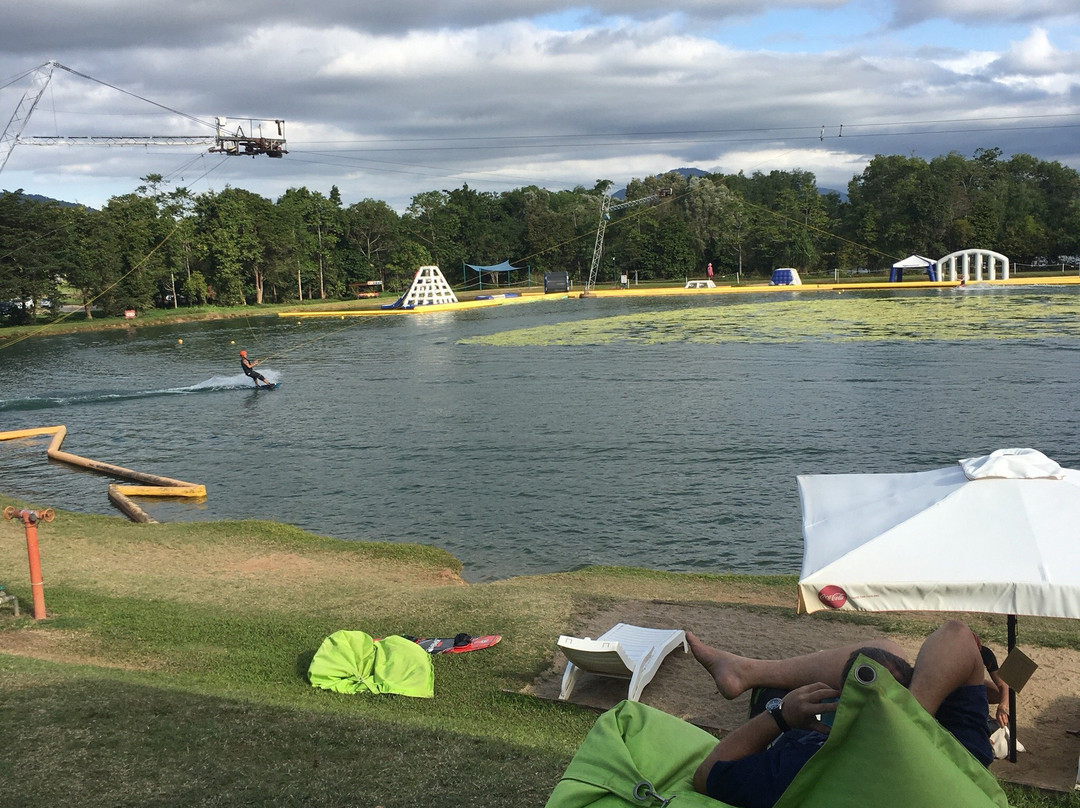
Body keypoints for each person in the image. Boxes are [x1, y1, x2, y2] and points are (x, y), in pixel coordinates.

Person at [688, 620, 993, 808]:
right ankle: (746, 672)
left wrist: (780, 716)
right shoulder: (955, 755)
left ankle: (747, 673)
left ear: (842, 704)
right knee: (883, 651)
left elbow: (706, 775)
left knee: (880, 651)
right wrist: (909, 718)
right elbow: (955, 634)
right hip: (911, 732)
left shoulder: (799, 767)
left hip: (782, 715)